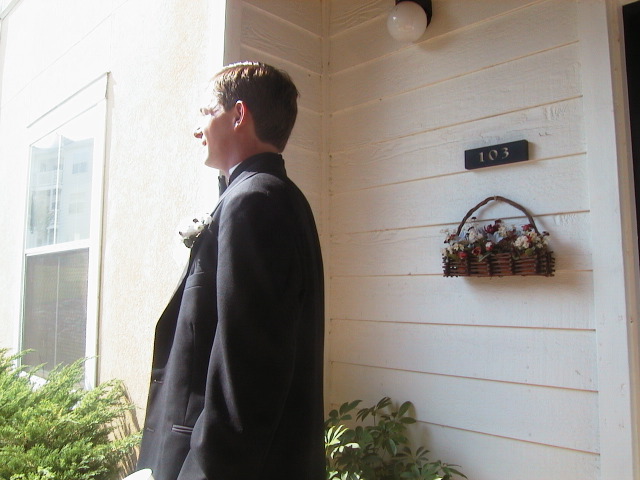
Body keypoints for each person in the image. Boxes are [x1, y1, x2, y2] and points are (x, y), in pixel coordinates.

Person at [136, 62, 325, 480]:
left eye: (206, 112)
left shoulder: (255, 201)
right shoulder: (276, 197)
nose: (197, 129)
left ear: (239, 115)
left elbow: (248, 375)